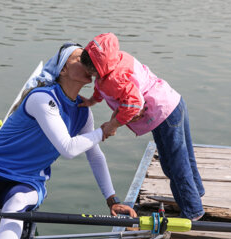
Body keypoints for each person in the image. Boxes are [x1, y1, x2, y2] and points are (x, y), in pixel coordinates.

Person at [0, 42, 136, 239]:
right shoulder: (42, 98)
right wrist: (104, 131)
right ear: (63, 68)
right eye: (81, 59)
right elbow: (68, 149)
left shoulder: (83, 113)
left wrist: (112, 200)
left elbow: (95, 156)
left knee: (16, 203)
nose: (88, 64)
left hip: (27, 181)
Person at [79, 32, 205, 221]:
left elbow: (134, 105)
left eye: (92, 71)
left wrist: (113, 124)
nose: (90, 75)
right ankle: (196, 193)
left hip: (164, 114)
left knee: (174, 164)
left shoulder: (114, 78)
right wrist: (91, 101)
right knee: (185, 155)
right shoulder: (117, 60)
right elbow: (100, 88)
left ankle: (192, 210)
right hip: (172, 103)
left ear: (100, 66)